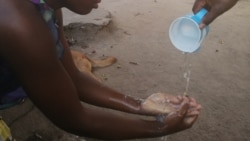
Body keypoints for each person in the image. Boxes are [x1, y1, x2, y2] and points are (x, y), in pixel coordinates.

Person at [0, 0, 237, 140]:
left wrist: (140, 105)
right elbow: (73, 118)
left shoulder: (50, 7)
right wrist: (159, 126)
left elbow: (72, 77)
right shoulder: (20, 24)